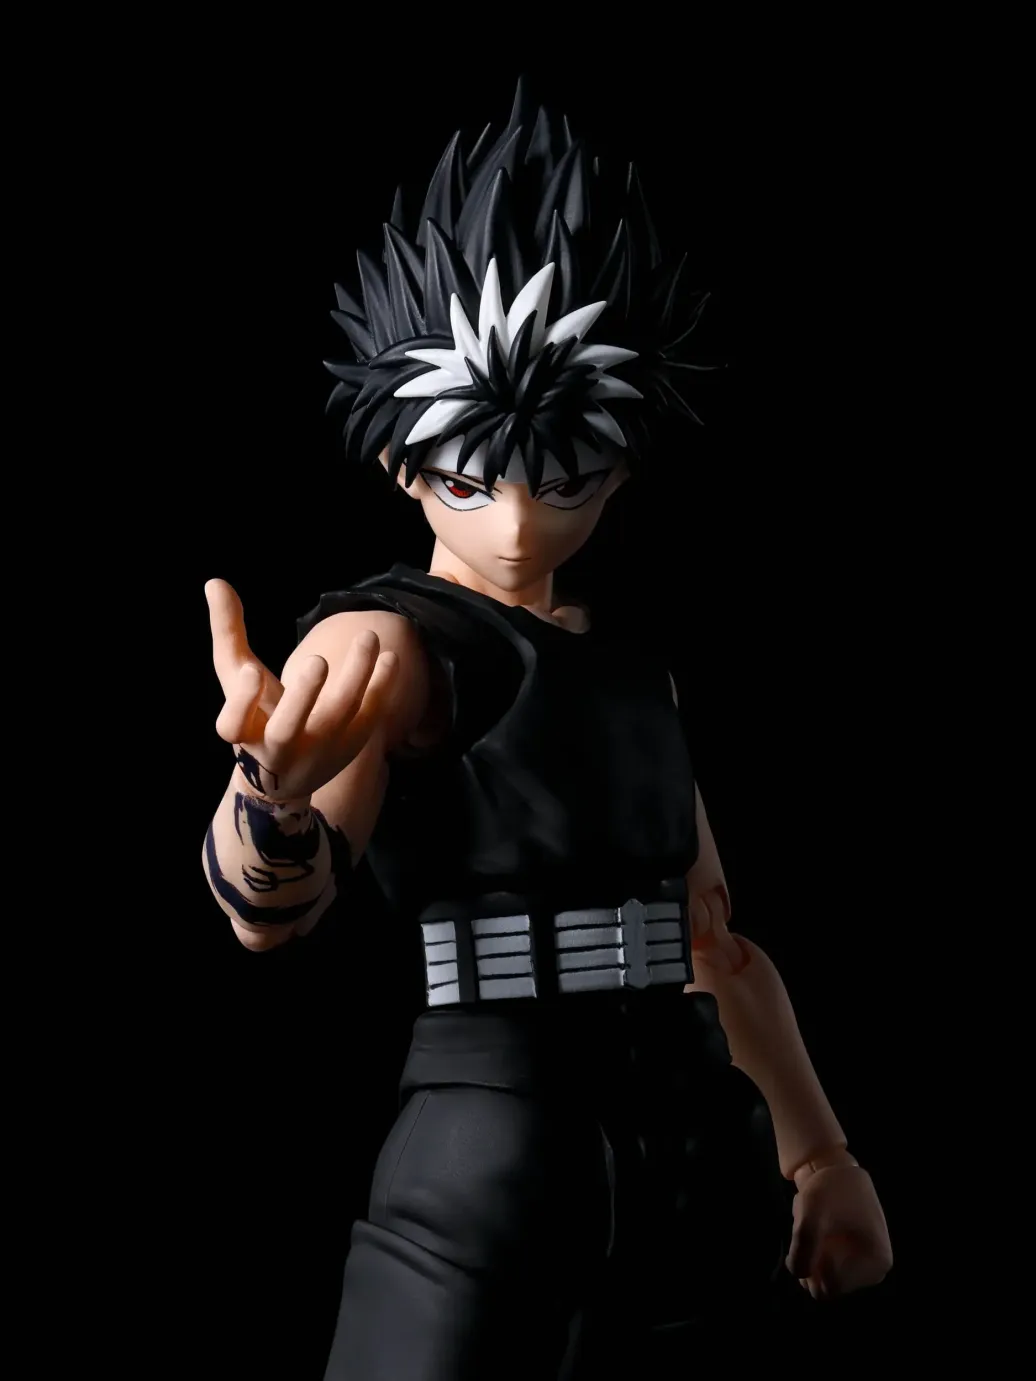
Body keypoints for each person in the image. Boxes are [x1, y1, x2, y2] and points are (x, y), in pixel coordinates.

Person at [202, 80, 892, 1380]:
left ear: (620, 463)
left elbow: (716, 945)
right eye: (472, 480)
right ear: (402, 458)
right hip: (498, 1145)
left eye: (563, 479)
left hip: (698, 1145)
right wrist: (272, 799)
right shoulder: (383, 645)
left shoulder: (634, 675)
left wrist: (820, 1156)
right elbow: (268, 912)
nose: (518, 524)